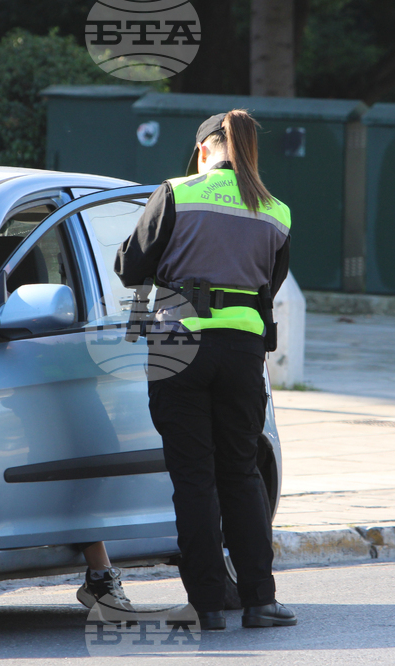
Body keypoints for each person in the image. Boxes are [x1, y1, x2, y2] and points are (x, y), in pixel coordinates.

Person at [114, 110, 296, 630]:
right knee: (240, 472)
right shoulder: (277, 212)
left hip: (178, 343)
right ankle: (260, 600)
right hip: (242, 352)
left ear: (203, 150)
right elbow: (270, 284)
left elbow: (130, 267)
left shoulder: (176, 192)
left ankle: (207, 604)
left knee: (194, 478)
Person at [0, 252, 134, 619]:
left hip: (53, 375)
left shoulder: (13, 304)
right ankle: (99, 574)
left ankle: (99, 573)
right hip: (8, 392)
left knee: (95, 459)